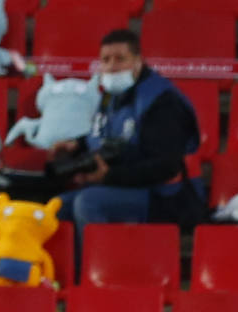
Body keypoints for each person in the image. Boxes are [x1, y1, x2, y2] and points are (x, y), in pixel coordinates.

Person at [50, 28, 206, 243]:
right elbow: (109, 133)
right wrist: (75, 145)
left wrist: (109, 177)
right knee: (56, 207)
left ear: (138, 62)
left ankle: (99, 272)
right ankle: (72, 273)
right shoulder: (111, 97)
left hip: (167, 197)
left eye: (120, 59)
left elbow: (166, 167)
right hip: (127, 187)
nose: (112, 67)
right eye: (106, 60)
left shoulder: (162, 102)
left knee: (87, 203)